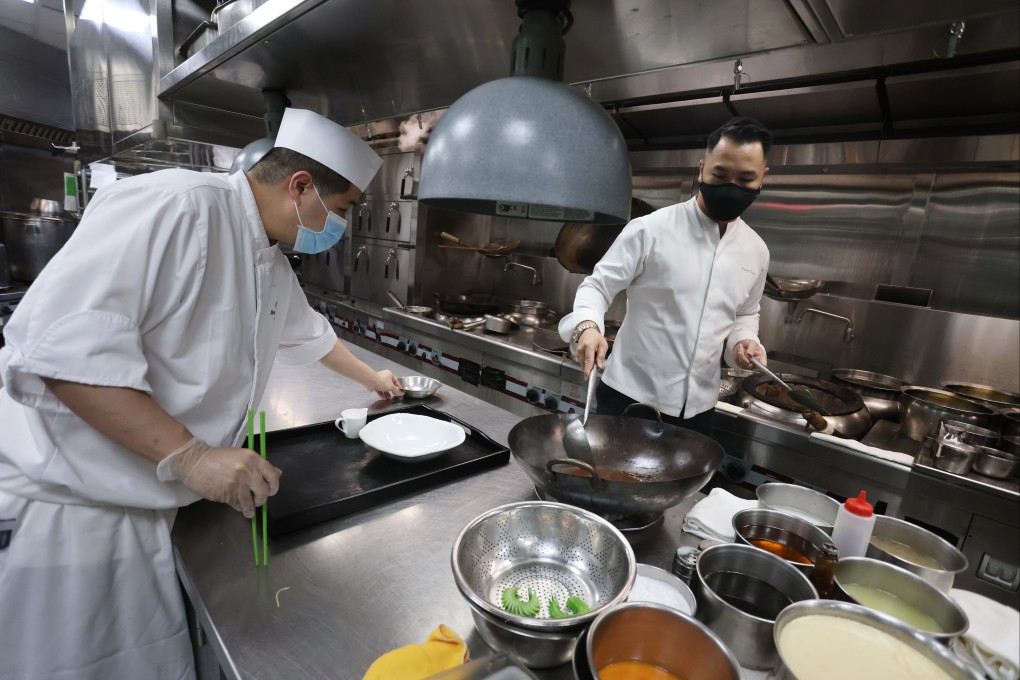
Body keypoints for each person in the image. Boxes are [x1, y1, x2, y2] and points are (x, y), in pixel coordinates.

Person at [0, 108, 403, 679]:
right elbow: (59, 355)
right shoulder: (177, 205)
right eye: (338, 212)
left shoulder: (268, 258)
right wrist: (193, 456)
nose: (336, 228)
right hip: (73, 520)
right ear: (301, 187)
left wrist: (374, 381)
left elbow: (311, 336)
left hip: (149, 509)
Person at [558, 116, 772, 434]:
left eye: (745, 178)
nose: (732, 187)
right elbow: (597, 286)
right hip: (628, 401)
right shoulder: (651, 229)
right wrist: (588, 327)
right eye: (721, 174)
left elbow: (745, 313)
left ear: (762, 179)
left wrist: (745, 342)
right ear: (702, 170)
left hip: (699, 413)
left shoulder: (756, 250)